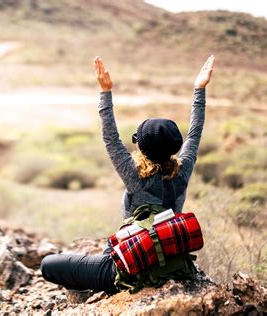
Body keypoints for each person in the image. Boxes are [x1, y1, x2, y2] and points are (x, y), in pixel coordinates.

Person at [41, 55, 216, 295]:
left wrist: (106, 91)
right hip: (168, 255)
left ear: (140, 147)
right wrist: (199, 89)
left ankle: (102, 291)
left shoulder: (135, 177)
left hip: (134, 264)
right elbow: (195, 134)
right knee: (107, 247)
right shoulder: (182, 171)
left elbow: (110, 138)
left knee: (49, 265)